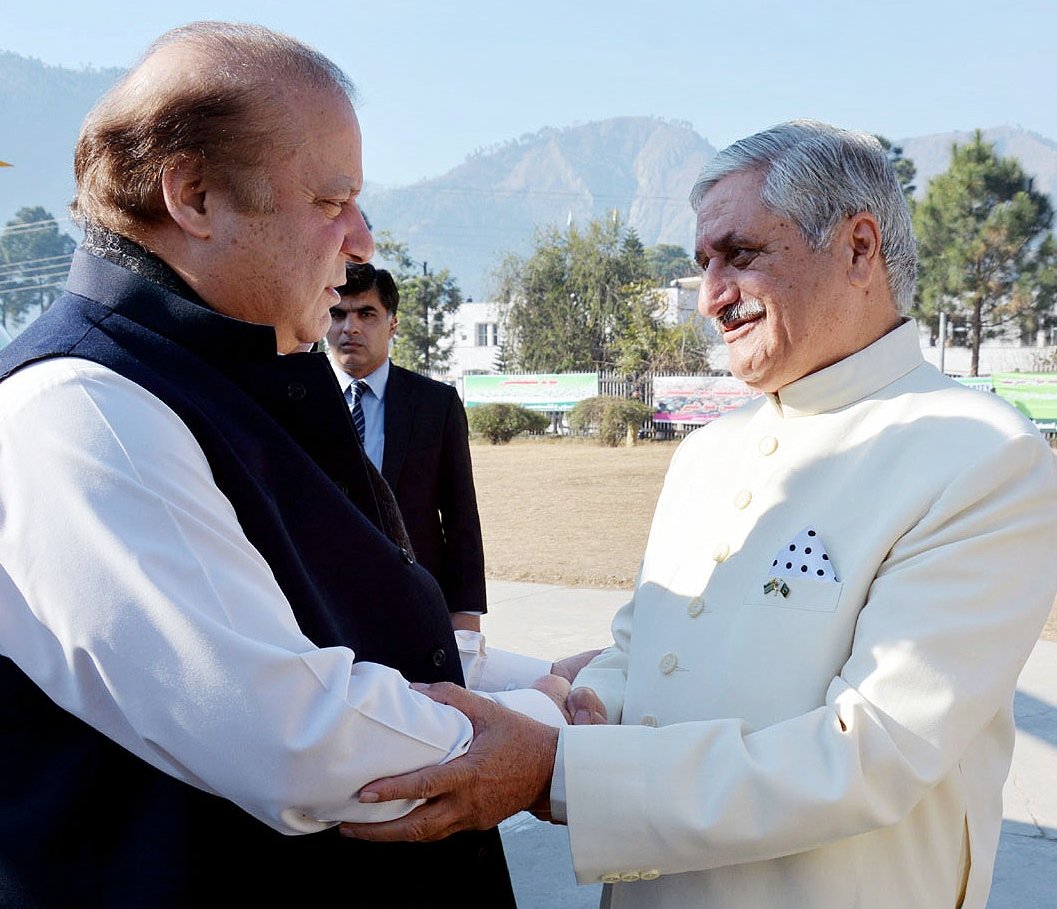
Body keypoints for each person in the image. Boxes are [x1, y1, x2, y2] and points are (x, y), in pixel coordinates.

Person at [339, 120, 1057, 909]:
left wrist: (556, 769)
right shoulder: (710, 451)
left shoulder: (980, 455)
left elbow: (869, 755)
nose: (711, 295)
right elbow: (640, 643)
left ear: (858, 248)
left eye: (740, 254)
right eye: (702, 262)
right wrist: (576, 702)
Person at [0, 21, 574, 907]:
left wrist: (528, 678)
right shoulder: (84, 409)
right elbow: (292, 733)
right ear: (192, 195)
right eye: (329, 201)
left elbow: (337, 622)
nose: (362, 240)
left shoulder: (231, 375)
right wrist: (543, 737)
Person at [327, 262, 487, 631]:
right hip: (322, 602)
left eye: (367, 314)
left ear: (393, 323)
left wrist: (465, 612)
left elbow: (461, 515)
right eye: (338, 314)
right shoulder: (297, 399)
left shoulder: (435, 405)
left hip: (411, 601)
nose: (350, 327)